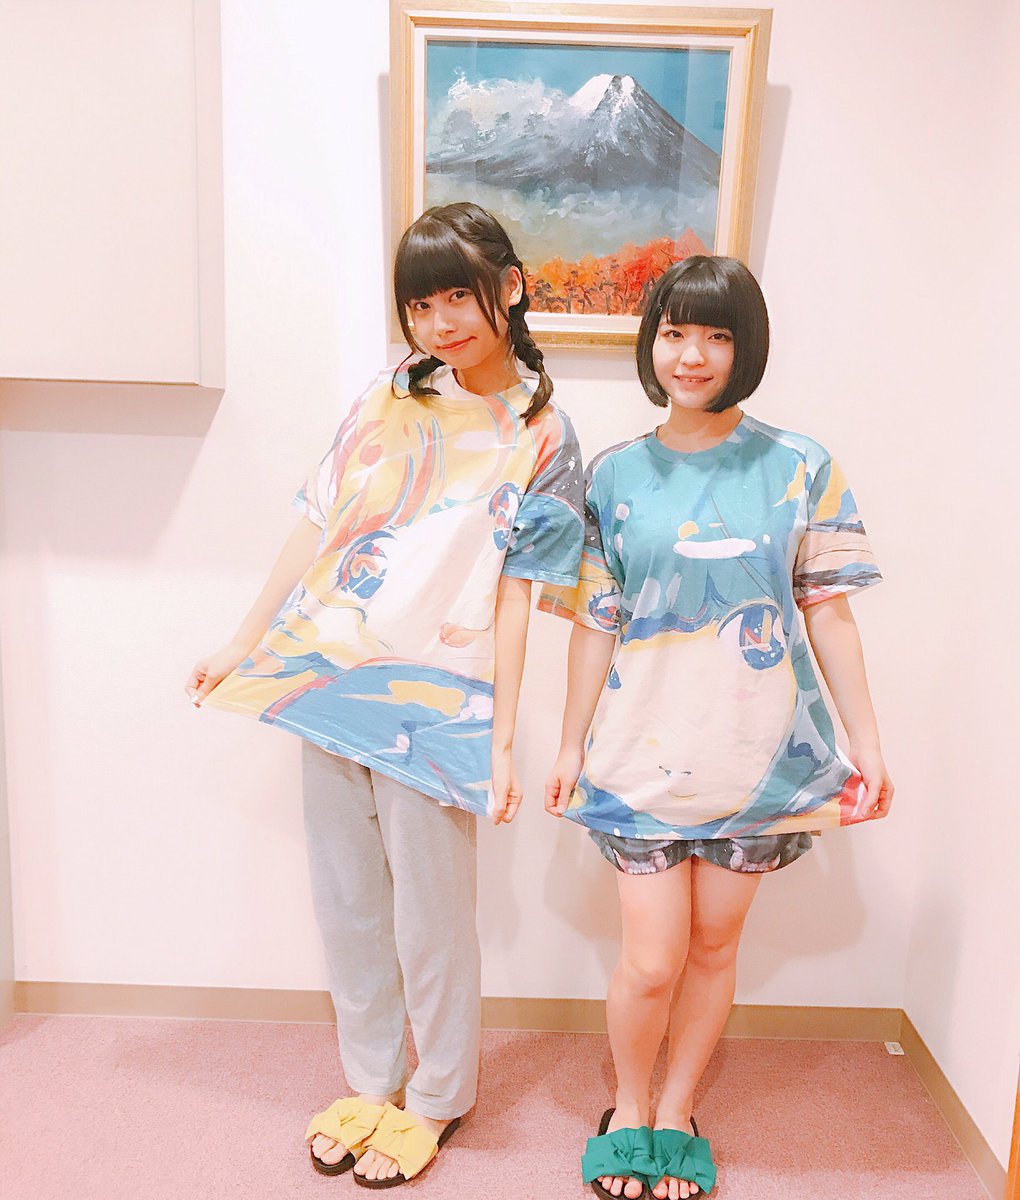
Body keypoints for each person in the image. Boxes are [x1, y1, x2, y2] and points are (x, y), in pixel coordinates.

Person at [185, 202, 584, 1188]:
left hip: (438, 706)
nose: (440, 322)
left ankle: (439, 1096)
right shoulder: (389, 393)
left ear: (510, 288)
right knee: (348, 906)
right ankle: (371, 1081)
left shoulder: (545, 433)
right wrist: (245, 637)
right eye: (420, 303)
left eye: (458, 296)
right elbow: (318, 520)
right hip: (330, 677)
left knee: (432, 919)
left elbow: (522, 594)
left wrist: (500, 741)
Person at [541, 256, 892, 1200]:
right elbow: (594, 622)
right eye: (674, 333)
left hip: (759, 754)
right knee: (651, 960)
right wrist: (569, 744)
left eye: (716, 335)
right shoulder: (614, 475)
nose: (691, 355)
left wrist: (867, 742)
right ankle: (626, 1105)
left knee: (712, 950)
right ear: (651, 343)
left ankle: (677, 1110)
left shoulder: (801, 465)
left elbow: (828, 611)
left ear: (746, 348)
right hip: (639, 753)